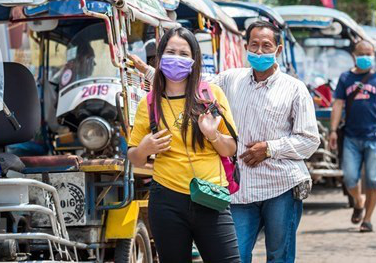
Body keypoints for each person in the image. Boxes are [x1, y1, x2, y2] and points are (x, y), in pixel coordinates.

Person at [131, 21, 319, 263]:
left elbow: (310, 140)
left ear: (278, 50)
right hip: (239, 191)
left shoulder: (295, 89)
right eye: (254, 45)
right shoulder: (230, 80)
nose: (259, 52)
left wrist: (270, 149)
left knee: (279, 256)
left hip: (280, 185)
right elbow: (186, 85)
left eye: (266, 46)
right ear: (246, 47)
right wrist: (149, 71)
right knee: (237, 256)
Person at [127, 27, 240, 263]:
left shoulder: (211, 95)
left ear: (193, 60)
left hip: (211, 197)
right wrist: (144, 149)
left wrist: (212, 135)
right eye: (170, 52)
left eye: (183, 53)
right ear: (159, 58)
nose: (176, 58)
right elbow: (134, 157)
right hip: (166, 200)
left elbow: (231, 149)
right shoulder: (148, 104)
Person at [329, 40, 376, 232]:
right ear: (354, 55)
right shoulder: (345, 78)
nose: (366, 57)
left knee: (374, 180)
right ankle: (359, 201)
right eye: (362, 53)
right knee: (350, 178)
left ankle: (367, 220)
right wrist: (333, 130)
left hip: (375, 137)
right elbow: (338, 104)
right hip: (351, 136)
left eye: (369, 53)